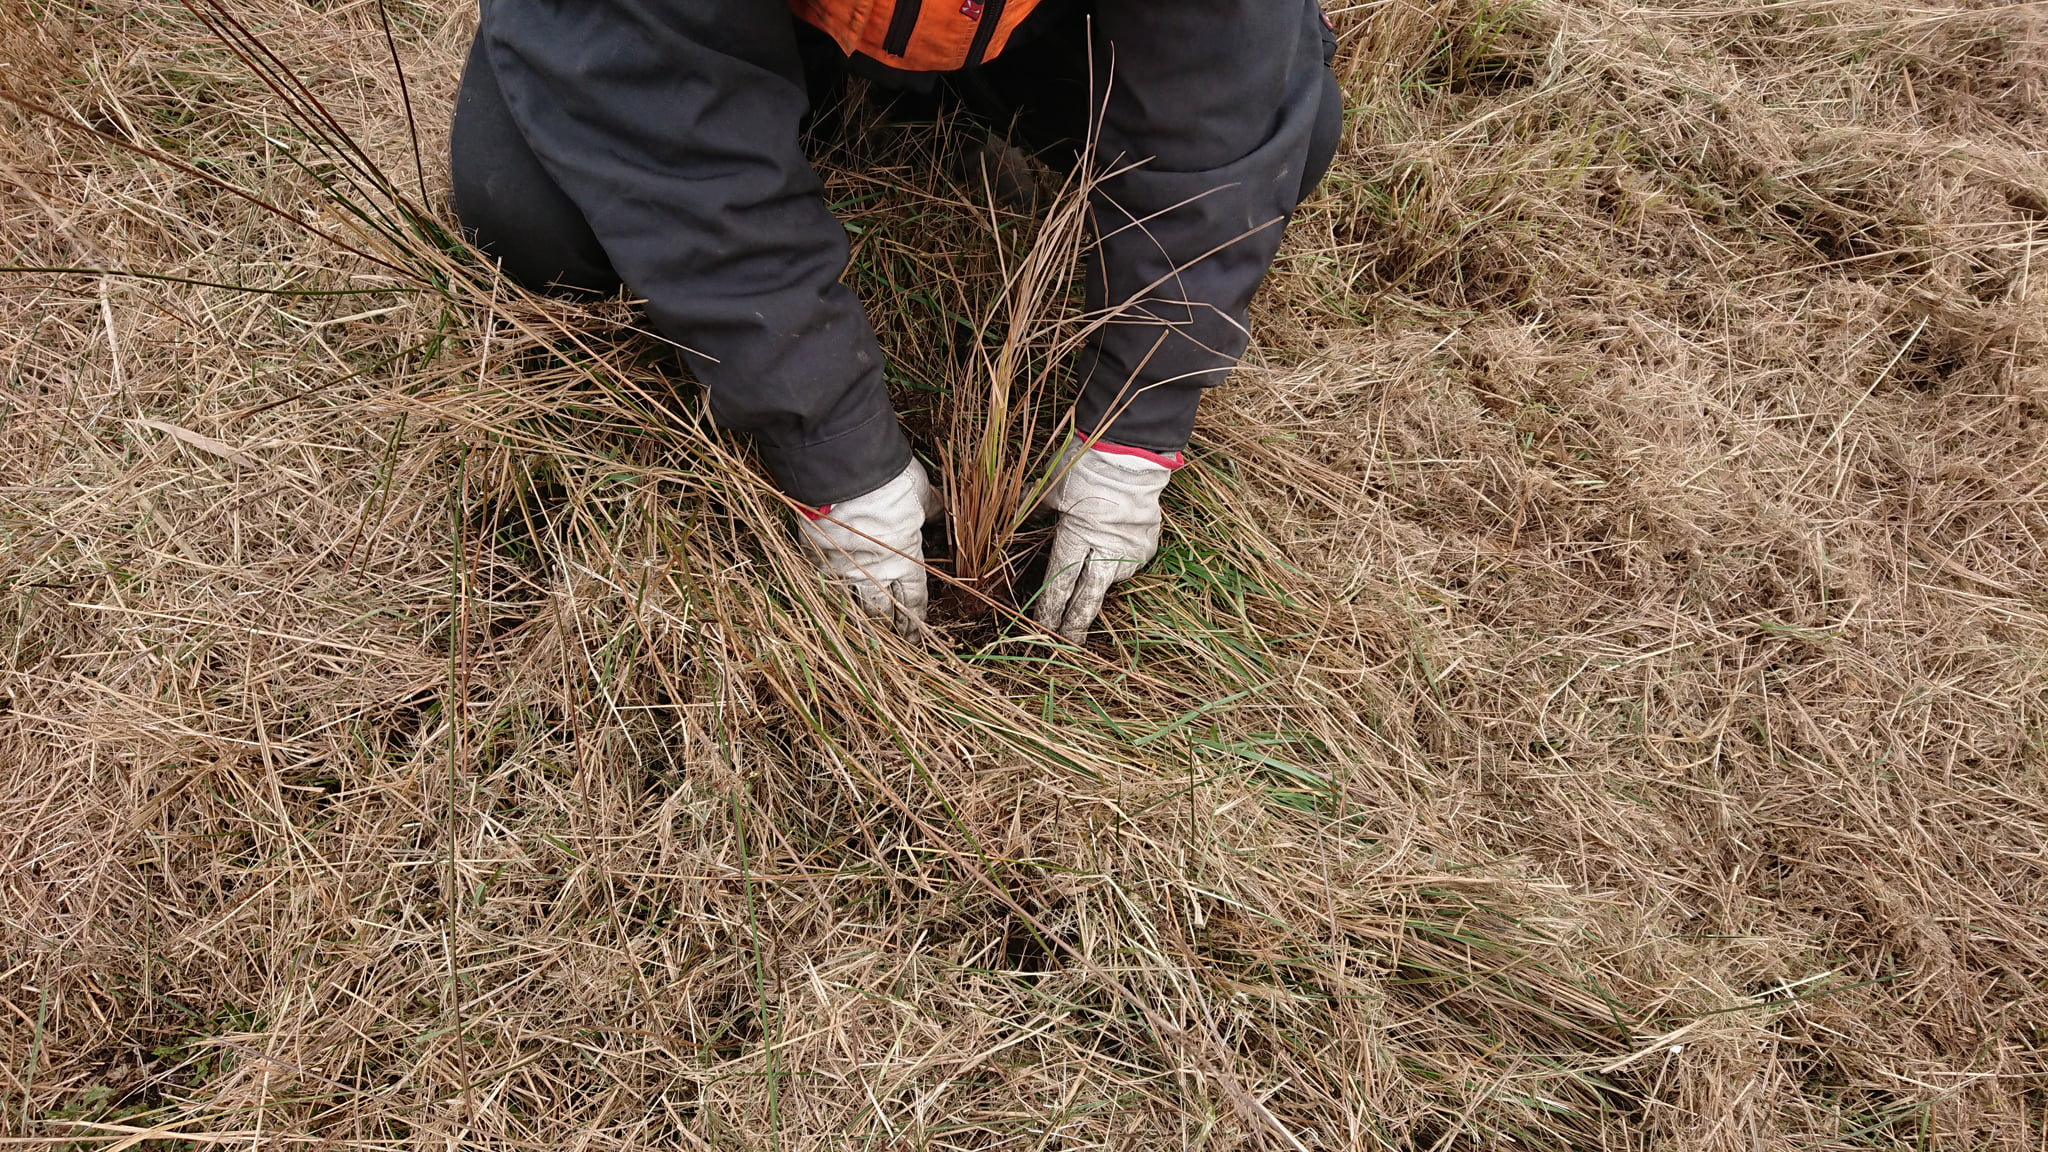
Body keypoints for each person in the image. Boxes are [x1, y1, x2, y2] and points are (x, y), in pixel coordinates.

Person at [449, 0, 1342, 640]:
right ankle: (797, 91)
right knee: (532, 213)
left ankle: (955, 86)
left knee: (1298, 128)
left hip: (1035, 26)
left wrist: (1134, 429)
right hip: (732, 26)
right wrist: (836, 449)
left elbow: (1220, 87)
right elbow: (642, 87)